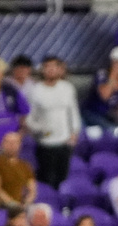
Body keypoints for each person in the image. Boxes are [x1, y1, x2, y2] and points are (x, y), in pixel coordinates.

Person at [27, 56, 82, 189]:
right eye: (47, 67)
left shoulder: (67, 88)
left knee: (62, 177)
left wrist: (75, 132)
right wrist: (39, 130)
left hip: (65, 140)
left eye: (54, 67)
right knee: (46, 177)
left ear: (59, 69)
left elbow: (73, 111)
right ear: (42, 70)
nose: (51, 70)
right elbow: (29, 117)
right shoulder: (35, 90)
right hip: (45, 143)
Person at [82, 46, 118, 128]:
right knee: (112, 130)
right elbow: (105, 96)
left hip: (109, 116)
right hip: (93, 113)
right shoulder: (102, 75)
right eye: (116, 62)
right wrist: (113, 75)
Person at [0, 62, 29, 152]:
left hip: (14, 144)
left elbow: (24, 114)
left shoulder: (12, 90)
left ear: (1, 75)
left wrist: (19, 136)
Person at [0, 131, 36, 213]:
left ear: (20, 145)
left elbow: (32, 189)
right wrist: (10, 203)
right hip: (2, 204)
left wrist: (27, 202)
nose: (11, 145)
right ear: (3, 144)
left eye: (14, 142)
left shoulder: (25, 166)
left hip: (20, 205)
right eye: (8, 142)